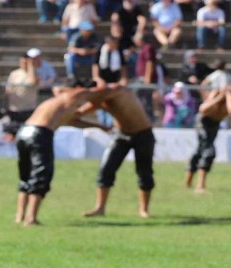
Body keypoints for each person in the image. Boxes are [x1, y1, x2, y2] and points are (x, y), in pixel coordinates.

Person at [15, 85, 110, 226]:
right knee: (41, 175)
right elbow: (87, 92)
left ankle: (19, 216)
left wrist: (98, 126)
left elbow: (72, 121)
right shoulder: (73, 95)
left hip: (24, 132)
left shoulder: (58, 102)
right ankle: (30, 218)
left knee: (26, 176)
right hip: (40, 134)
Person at [75, 86, 156, 217]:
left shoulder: (116, 90)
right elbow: (79, 112)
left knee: (144, 172)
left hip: (143, 134)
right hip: (121, 135)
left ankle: (144, 210)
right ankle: (100, 208)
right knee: (106, 169)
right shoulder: (99, 100)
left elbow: (104, 93)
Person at [184, 88, 230, 192]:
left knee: (200, 150)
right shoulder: (218, 92)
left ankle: (188, 183)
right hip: (203, 122)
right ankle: (200, 186)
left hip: (214, 124)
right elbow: (203, 109)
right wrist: (220, 97)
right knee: (209, 151)